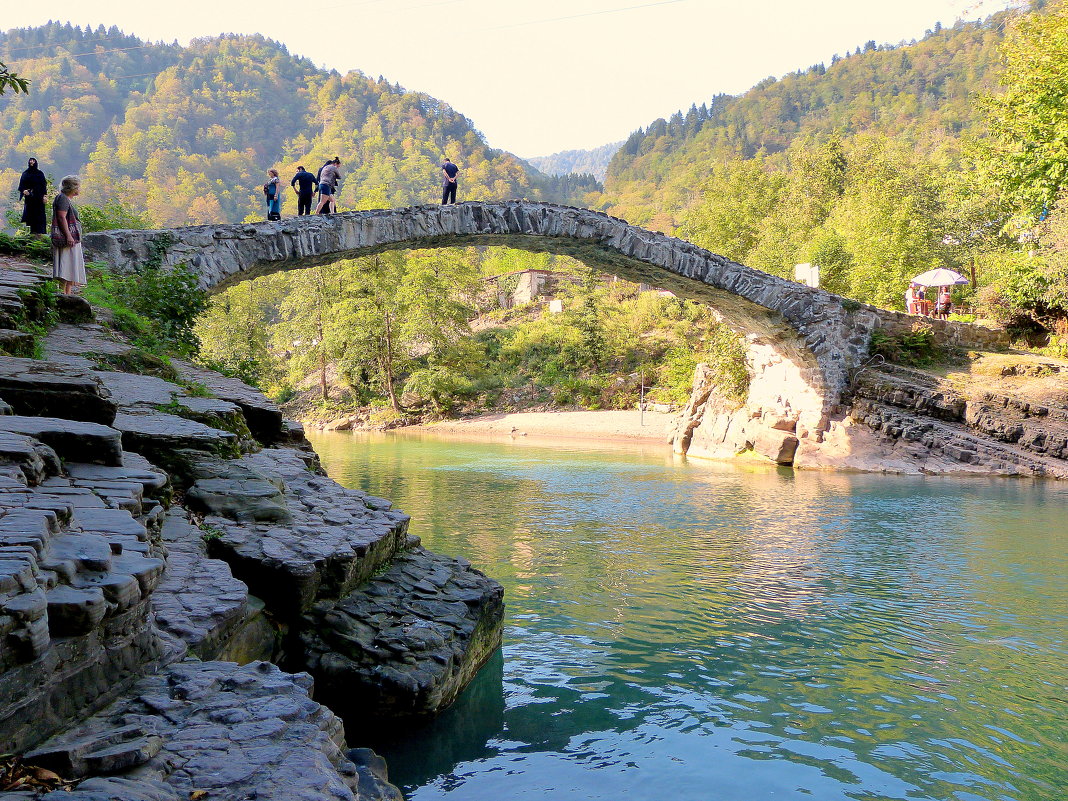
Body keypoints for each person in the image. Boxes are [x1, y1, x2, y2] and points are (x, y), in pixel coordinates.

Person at [51, 175, 86, 296]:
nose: (79, 189)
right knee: (66, 264)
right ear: (73, 187)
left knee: (70, 264)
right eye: (78, 186)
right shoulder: (63, 199)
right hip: (68, 238)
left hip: (73, 237)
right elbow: (61, 217)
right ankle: (63, 294)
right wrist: (69, 235)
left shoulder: (65, 198)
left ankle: (68, 294)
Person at [17, 157, 47, 236]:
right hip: (30, 198)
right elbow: (21, 186)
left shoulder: (40, 173)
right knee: (31, 215)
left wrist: (44, 196)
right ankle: (32, 233)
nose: (32, 162)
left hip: (39, 197)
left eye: (33, 161)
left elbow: (43, 185)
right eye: (31, 161)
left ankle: (39, 233)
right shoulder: (25, 173)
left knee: (39, 215)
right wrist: (24, 191)